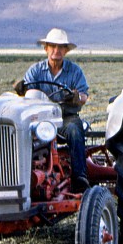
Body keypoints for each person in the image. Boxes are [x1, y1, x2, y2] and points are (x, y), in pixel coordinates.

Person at [19, 28, 90, 193]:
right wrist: (21, 89)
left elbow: (84, 97)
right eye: (52, 46)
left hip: (65, 117)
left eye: (60, 47)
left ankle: (80, 177)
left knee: (74, 130)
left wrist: (75, 97)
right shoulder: (35, 71)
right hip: (39, 118)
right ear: (46, 48)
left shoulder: (75, 71)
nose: (56, 50)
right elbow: (27, 93)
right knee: (21, 133)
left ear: (65, 51)